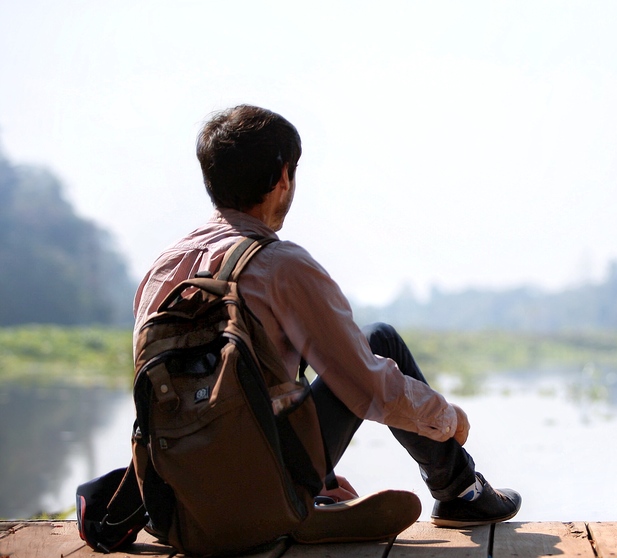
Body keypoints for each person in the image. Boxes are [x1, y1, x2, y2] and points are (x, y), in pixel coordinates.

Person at [133, 104, 520, 534]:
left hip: (177, 507)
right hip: (260, 491)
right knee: (378, 341)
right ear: (283, 176)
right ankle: (461, 492)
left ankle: (317, 489)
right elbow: (367, 383)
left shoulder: (162, 270)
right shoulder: (280, 265)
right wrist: (448, 419)